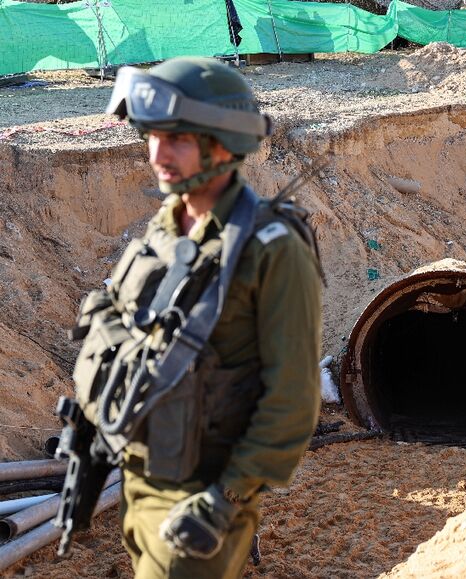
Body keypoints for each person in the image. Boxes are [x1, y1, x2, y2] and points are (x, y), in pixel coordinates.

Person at [68, 57, 322, 578]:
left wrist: (226, 497)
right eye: (153, 137)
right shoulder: (169, 223)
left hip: (204, 492)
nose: (158, 154)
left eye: (178, 140)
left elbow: (293, 396)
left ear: (224, 143)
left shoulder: (270, 249)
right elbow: (114, 312)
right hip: (140, 477)